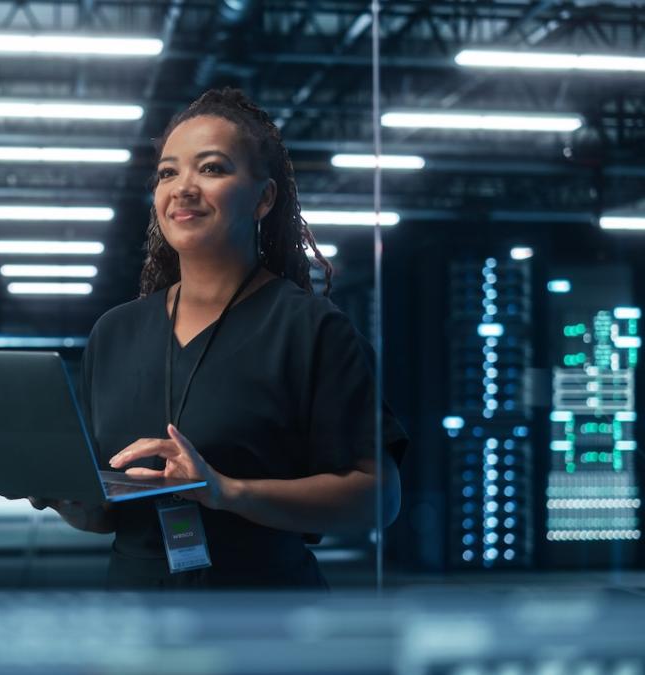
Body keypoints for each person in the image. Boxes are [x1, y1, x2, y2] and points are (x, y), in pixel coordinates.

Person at [30, 88, 407, 589]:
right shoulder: (115, 332)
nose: (182, 187)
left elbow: (379, 498)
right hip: (136, 618)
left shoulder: (311, 330)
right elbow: (105, 517)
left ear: (264, 198)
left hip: (264, 616)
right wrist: (63, 496)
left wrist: (226, 491)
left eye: (211, 169)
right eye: (168, 172)